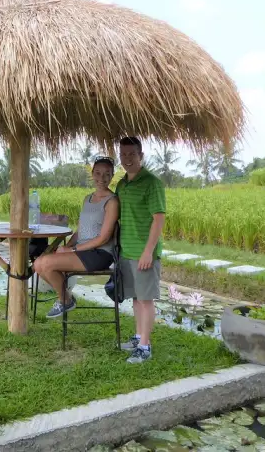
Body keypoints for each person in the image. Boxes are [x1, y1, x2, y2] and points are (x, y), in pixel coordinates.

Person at [34, 156, 119, 318]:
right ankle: (66, 299)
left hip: (99, 254)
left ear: (112, 176)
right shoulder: (87, 199)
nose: (102, 178)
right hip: (82, 251)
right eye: (98, 173)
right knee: (38, 264)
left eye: (107, 174)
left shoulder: (112, 201)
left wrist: (72, 249)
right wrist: (66, 248)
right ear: (92, 174)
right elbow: (81, 231)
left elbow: (104, 238)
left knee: (44, 263)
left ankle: (65, 300)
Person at [115, 137, 166, 364]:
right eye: (123, 154)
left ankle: (145, 346)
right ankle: (138, 337)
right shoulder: (122, 184)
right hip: (127, 250)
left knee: (146, 300)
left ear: (141, 155)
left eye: (131, 154)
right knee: (136, 298)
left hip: (144, 252)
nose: (127, 159)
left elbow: (159, 219)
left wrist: (148, 251)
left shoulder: (152, 183)